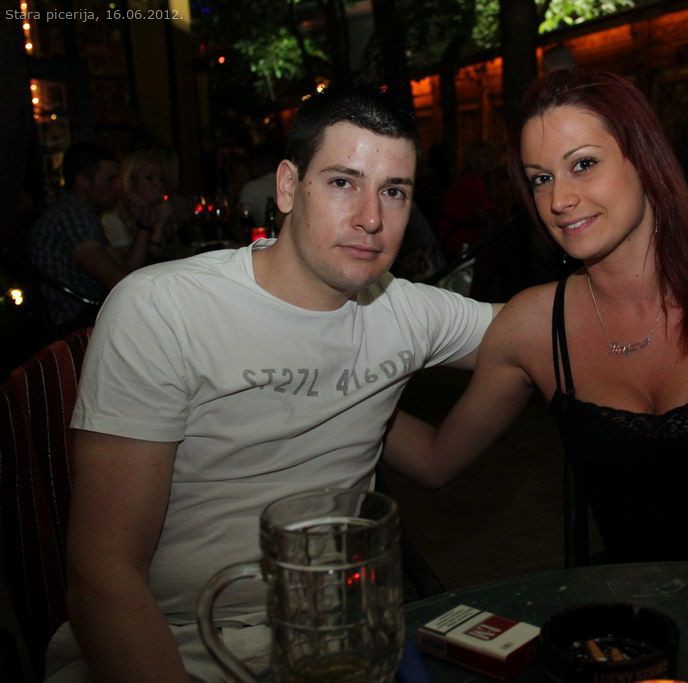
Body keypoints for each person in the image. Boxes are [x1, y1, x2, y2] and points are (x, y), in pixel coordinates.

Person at [52, 85, 496, 681]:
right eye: (343, 182)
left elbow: (538, 331)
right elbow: (102, 576)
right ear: (287, 186)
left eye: (394, 191)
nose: (371, 218)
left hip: (334, 637)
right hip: (176, 641)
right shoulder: (163, 308)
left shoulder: (404, 311)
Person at [389, 69, 688, 569]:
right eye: (541, 178)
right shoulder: (535, 327)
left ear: (644, 161)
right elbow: (434, 461)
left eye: (583, 164)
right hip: (633, 612)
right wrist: (332, 392)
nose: (559, 200)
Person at [28, 142, 156, 329]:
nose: (118, 186)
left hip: (88, 315)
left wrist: (143, 224)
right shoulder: (72, 215)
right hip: (77, 324)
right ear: (83, 182)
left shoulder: (79, 213)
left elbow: (126, 269)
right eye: (110, 179)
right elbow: (120, 281)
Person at [101, 148, 172, 261]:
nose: (158, 185)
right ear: (131, 181)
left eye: (161, 179)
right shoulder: (112, 219)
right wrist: (158, 228)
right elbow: (133, 267)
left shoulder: (159, 210)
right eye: (149, 178)